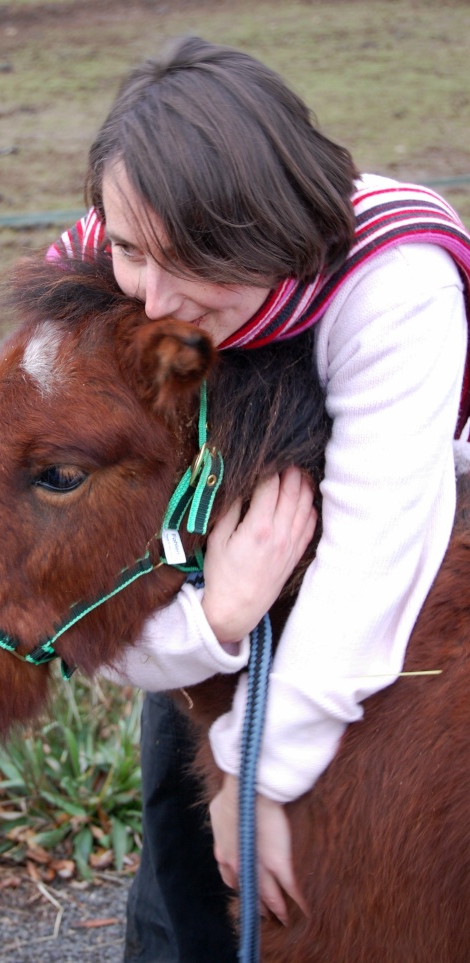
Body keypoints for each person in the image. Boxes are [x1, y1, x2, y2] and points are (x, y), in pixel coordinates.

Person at [49, 36, 470, 961]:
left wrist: (257, 774)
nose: (152, 301)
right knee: (180, 853)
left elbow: (375, 557)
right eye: (127, 248)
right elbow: (62, 572)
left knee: (370, 868)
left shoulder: (394, 280)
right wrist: (213, 621)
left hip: (412, 592)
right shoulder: (118, 259)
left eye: (191, 258)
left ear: (265, 227)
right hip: (219, 569)